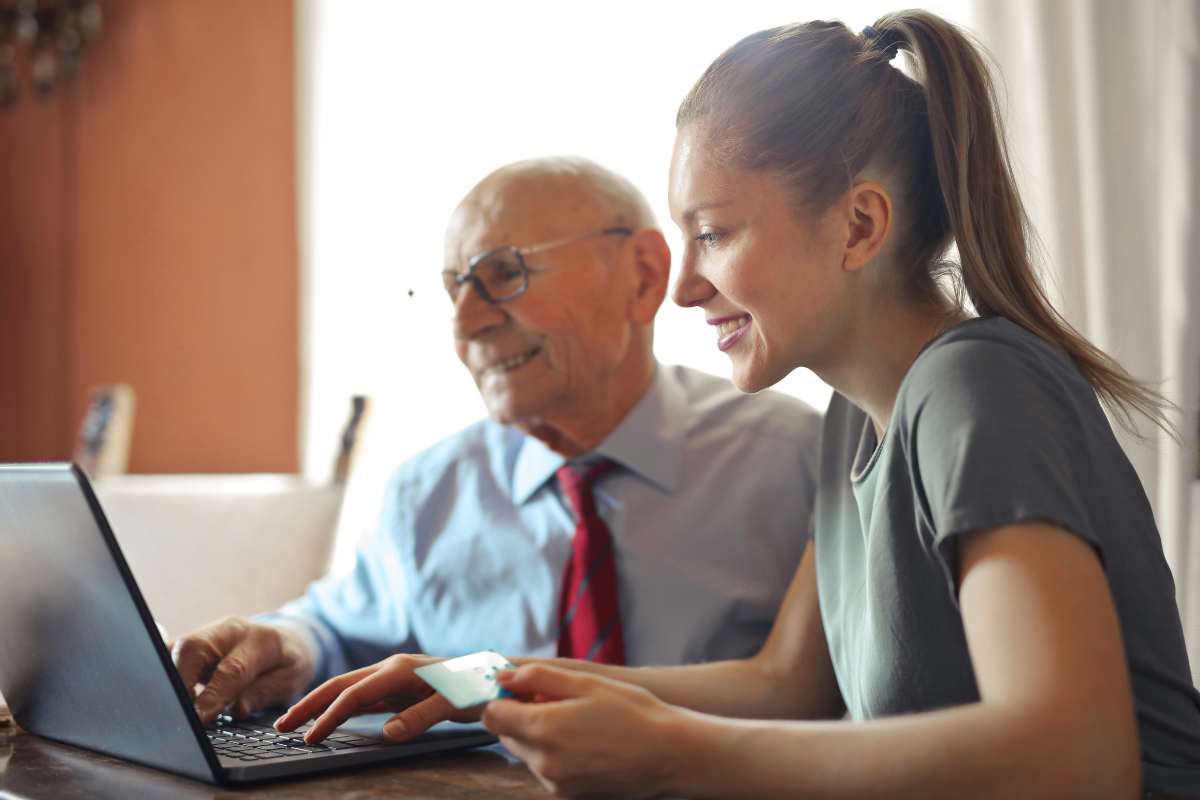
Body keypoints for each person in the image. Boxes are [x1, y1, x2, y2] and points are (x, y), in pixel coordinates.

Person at [276, 10, 1200, 800]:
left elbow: (1076, 759)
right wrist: (485, 679)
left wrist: (674, 752)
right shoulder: (857, 421)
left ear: (861, 226)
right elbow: (783, 686)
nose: (682, 288)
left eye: (713, 233)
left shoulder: (974, 387)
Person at [171, 156, 822, 728]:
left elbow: (820, 696)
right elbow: (339, 630)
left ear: (644, 275)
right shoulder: (428, 491)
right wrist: (286, 645)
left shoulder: (795, 460)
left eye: (502, 274)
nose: (466, 324)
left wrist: (480, 681)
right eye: (455, 288)